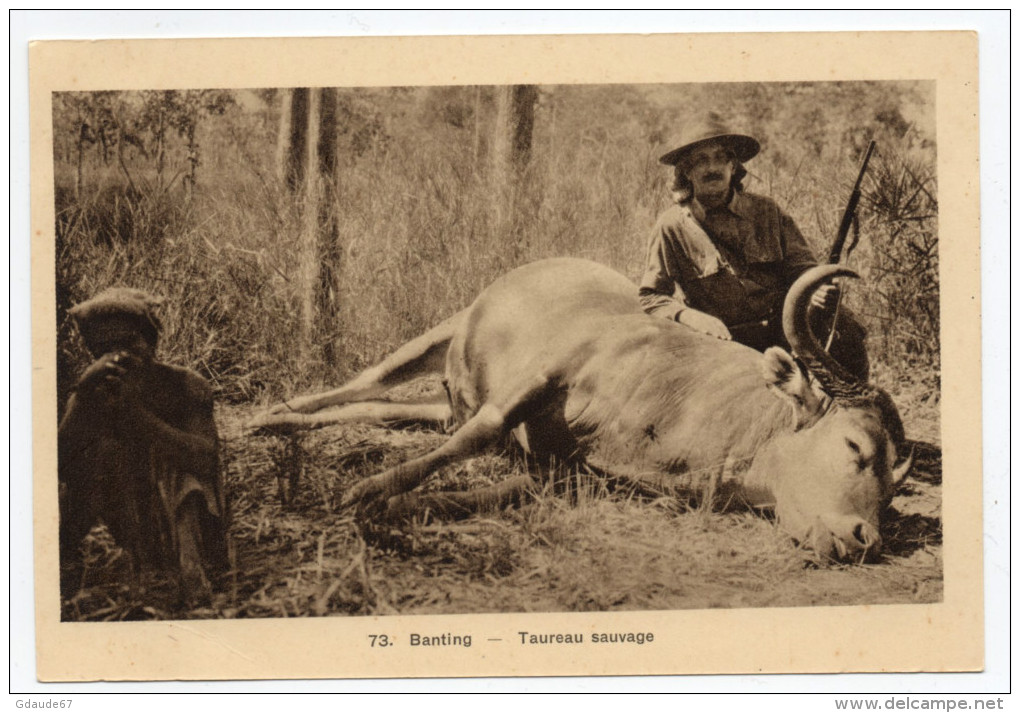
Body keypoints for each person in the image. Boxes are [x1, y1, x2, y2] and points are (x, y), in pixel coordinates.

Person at [640, 114, 869, 380]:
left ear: (733, 166)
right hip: (724, 343)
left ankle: (858, 410)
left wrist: (815, 290)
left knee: (844, 326)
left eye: (720, 158)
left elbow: (803, 269)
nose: (712, 167)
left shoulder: (767, 211)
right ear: (686, 171)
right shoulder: (671, 226)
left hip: (783, 331)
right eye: (701, 160)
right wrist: (689, 317)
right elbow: (651, 298)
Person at [58, 287, 229, 605]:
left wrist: (138, 418)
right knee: (101, 453)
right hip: (124, 521)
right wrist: (82, 395)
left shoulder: (186, 385)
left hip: (184, 522)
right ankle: (86, 565)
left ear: (151, 342)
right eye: (106, 348)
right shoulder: (94, 391)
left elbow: (205, 460)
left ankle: (190, 575)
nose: (121, 356)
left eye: (129, 343)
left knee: (181, 474)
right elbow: (59, 464)